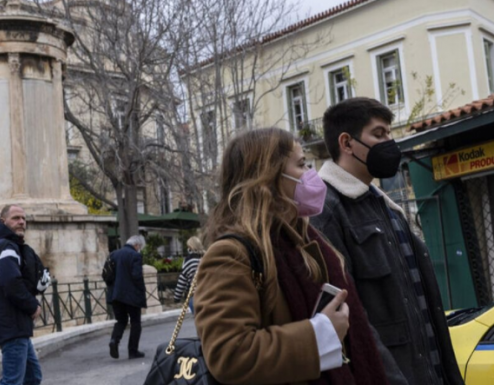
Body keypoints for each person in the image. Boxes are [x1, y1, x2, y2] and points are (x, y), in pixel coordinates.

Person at [194, 128, 388, 385]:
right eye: (301, 164)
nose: (311, 174)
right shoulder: (231, 254)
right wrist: (320, 334)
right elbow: (228, 354)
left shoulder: (305, 241)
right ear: (268, 176)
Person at [310, 97, 464, 385]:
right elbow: (350, 316)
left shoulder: (385, 206)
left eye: (390, 134)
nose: (389, 143)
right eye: (379, 134)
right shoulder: (326, 211)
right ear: (347, 143)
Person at [0, 205, 44, 385]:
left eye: (23, 219)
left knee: (32, 377)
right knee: (13, 381)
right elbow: (10, 282)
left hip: (16, 324)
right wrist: (32, 306)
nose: (21, 222)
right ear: (3, 222)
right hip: (12, 323)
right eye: (16, 218)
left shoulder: (6, 244)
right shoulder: (6, 246)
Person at [108, 235, 147, 360]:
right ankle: (133, 351)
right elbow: (137, 276)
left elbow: (107, 274)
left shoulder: (113, 254)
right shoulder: (135, 256)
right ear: (136, 245)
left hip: (116, 295)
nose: (139, 249)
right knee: (135, 322)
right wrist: (142, 291)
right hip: (132, 296)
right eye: (139, 247)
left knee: (121, 321)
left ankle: (114, 340)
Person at [173, 236, 205, 312]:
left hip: (195, 296)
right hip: (209, 294)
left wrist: (177, 297)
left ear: (190, 247)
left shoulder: (188, 261)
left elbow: (182, 280)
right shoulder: (206, 258)